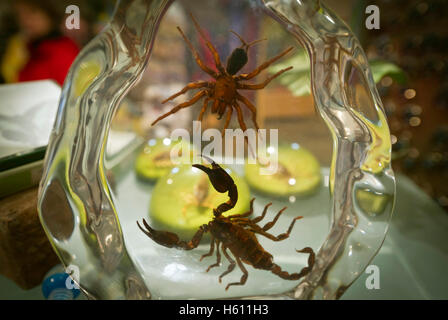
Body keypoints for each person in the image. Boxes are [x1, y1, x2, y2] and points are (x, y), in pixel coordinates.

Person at [11, 0, 80, 86]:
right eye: (19, 15)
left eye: (32, 12)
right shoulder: (32, 52)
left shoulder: (63, 52)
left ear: (49, 14)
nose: (25, 21)